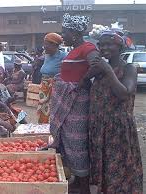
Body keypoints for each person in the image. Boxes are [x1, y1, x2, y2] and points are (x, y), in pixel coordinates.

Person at [49, 13, 100, 194]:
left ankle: (84, 186)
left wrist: (83, 80)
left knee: (78, 143)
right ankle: (78, 181)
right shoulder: (74, 49)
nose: (63, 36)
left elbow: (97, 64)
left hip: (78, 103)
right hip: (69, 103)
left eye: (65, 32)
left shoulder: (87, 47)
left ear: (75, 32)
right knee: (69, 140)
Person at [88, 31, 142, 193]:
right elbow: (82, 85)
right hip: (99, 127)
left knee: (119, 166)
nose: (104, 48)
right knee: (103, 164)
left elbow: (125, 93)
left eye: (108, 44)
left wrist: (108, 70)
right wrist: (90, 73)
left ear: (119, 46)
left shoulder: (129, 68)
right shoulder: (100, 69)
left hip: (117, 128)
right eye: (101, 45)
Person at [37, 33, 67, 124]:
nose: (44, 47)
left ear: (54, 44)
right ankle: (43, 130)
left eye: (46, 44)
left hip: (55, 88)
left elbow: (66, 74)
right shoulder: (47, 55)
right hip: (44, 87)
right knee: (43, 111)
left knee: (54, 111)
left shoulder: (63, 56)